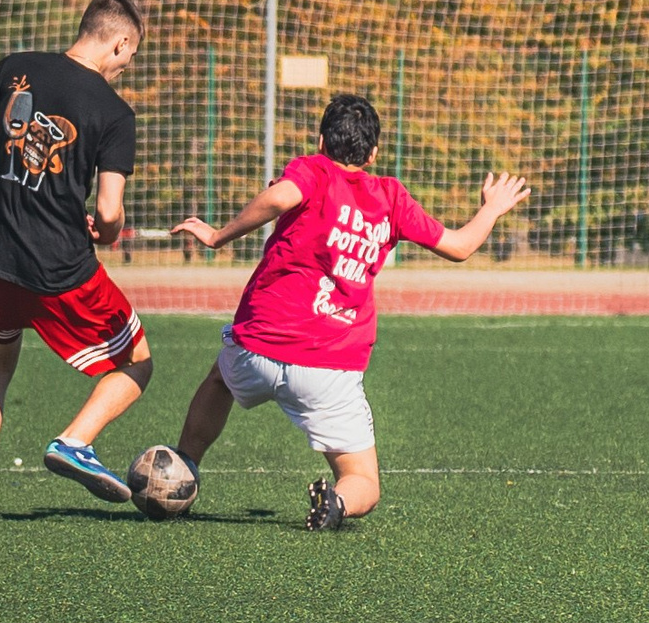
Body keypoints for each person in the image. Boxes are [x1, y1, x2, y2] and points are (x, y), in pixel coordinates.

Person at [169, 93, 529, 530]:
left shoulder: (312, 171)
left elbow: (282, 196)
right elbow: (459, 247)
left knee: (219, 380)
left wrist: (219, 236)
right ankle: (336, 504)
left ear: (321, 141)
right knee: (364, 482)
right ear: (373, 152)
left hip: (257, 349)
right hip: (328, 368)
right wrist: (491, 208)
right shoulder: (390, 197)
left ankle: (182, 469)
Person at [0, 0, 152, 517]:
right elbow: (107, 211)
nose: (127, 65)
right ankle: (74, 442)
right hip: (57, 266)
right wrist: (108, 231)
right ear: (120, 42)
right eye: (131, 55)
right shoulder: (114, 113)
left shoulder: (17, 68)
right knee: (137, 360)